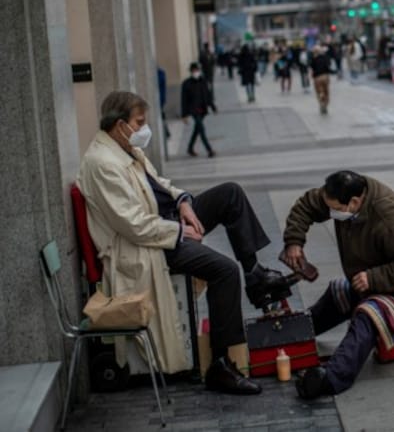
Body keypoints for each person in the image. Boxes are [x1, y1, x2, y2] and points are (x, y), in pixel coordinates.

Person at [77, 91, 292, 395]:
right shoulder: (102, 163)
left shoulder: (125, 148)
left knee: (230, 193)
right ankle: (219, 365)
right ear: (120, 124)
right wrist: (179, 231)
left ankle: (255, 274)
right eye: (140, 123)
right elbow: (134, 225)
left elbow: (158, 184)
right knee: (225, 271)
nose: (145, 129)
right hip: (151, 245)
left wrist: (182, 201)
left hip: (165, 222)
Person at [282, 170, 394, 399]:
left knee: (369, 314)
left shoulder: (390, 218)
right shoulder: (341, 197)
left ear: (354, 202)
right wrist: (294, 241)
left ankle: (331, 379)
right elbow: (307, 205)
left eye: (336, 210)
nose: (331, 213)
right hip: (365, 278)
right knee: (337, 293)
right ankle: (291, 336)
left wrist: (374, 278)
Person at [181, 62, 216, 157]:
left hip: (203, 109)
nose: (196, 72)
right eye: (194, 71)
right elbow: (184, 100)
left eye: (197, 70)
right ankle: (209, 150)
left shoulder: (203, 81)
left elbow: (208, 95)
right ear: (191, 71)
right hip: (193, 110)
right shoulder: (186, 84)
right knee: (201, 129)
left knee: (197, 129)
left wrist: (213, 107)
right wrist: (184, 115)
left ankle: (190, 148)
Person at [310, 44, 332, 114]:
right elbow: (329, 65)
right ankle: (325, 105)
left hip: (317, 77)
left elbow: (312, 68)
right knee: (326, 92)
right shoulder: (325, 57)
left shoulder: (313, 59)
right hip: (325, 76)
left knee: (319, 92)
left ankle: (321, 102)